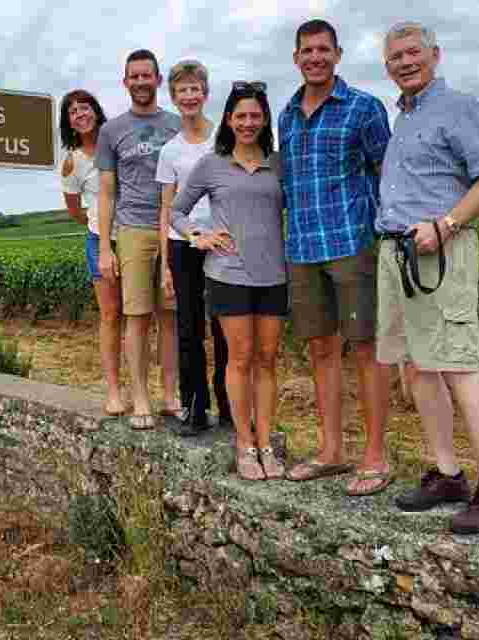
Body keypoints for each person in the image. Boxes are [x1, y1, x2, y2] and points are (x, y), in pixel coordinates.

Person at [376, 21, 479, 534]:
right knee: (418, 366)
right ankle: (447, 473)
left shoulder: (459, 108)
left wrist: (447, 222)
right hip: (401, 253)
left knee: (459, 366)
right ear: (387, 66)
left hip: (443, 252)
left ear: (435, 55)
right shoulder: (405, 118)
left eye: (414, 53)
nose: (405, 62)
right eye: (396, 57)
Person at [276, 19, 393, 496]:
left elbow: (387, 173)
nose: (315, 57)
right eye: (307, 50)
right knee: (321, 349)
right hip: (302, 248)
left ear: (338, 54)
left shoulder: (364, 108)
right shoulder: (285, 115)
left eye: (323, 49)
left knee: (366, 349)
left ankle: (376, 456)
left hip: (351, 244)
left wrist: (387, 233)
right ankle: (331, 451)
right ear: (297, 57)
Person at [169, 82, 287, 480]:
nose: (248, 122)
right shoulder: (212, 163)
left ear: (265, 119)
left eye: (255, 115)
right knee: (239, 358)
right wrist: (197, 237)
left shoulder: (278, 163)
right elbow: (177, 211)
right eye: (241, 116)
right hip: (228, 274)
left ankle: (266, 442)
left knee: (267, 360)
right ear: (229, 120)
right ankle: (243, 443)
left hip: (274, 275)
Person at [96, 49, 183, 430]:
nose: (141, 82)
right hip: (132, 230)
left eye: (147, 75)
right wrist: (105, 248)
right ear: (125, 82)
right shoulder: (111, 131)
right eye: (134, 76)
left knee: (171, 317)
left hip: (175, 231)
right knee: (136, 317)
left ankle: (169, 395)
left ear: (158, 80)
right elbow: (106, 192)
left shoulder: (179, 125)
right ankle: (141, 399)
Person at [155, 59, 233, 436]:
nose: (189, 96)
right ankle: (194, 409)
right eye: (182, 90)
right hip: (183, 244)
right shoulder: (170, 151)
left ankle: (230, 407)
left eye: (194, 89)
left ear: (205, 93)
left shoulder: (224, 138)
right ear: (173, 97)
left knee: (224, 329)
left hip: (220, 241)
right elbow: (167, 208)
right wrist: (165, 265)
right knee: (188, 329)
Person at [59, 89, 125, 417]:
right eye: (72, 112)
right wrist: (99, 223)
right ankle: (114, 390)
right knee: (111, 316)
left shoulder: (116, 142)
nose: (80, 114)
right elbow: (74, 209)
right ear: (68, 122)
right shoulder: (73, 161)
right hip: (100, 241)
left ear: (96, 111)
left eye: (84, 108)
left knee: (143, 317)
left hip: (133, 237)